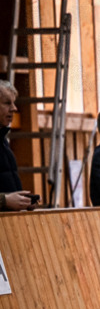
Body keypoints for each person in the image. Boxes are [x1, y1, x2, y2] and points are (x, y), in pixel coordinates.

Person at [0, 79, 40, 212]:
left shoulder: (3, 141)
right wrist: (5, 200)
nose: (14, 108)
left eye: (13, 103)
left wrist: (22, 201)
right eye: (7, 103)